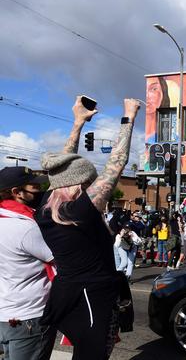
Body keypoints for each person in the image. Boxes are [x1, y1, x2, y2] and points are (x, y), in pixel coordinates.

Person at [36, 97, 139, 359]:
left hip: (68, 293)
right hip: (93, 297)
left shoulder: (46, 207)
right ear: (80, 184)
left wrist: (78, 123)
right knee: (93, 354)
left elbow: (59, 167)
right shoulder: (81, 210)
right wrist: (128, 117)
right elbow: (117, 162)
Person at [0, 167, 56, 360]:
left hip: (7, 313)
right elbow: (60, 258)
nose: (40, 189)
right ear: (16, 192)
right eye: (34, 186)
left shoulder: (5, 218)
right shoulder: (24, 227)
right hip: (30, 317)